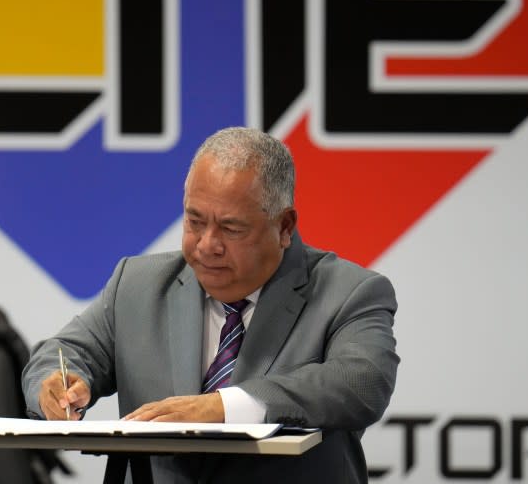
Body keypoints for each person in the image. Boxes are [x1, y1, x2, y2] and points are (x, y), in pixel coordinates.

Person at [21, 126, 399, 483]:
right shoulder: (137, 284)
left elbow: (362, 381)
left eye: (231, 229)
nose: (206, 246)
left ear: (284, 227)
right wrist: (57, 384)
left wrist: (225, 407)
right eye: (194, 221)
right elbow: (65, 352)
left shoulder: (349, 291)